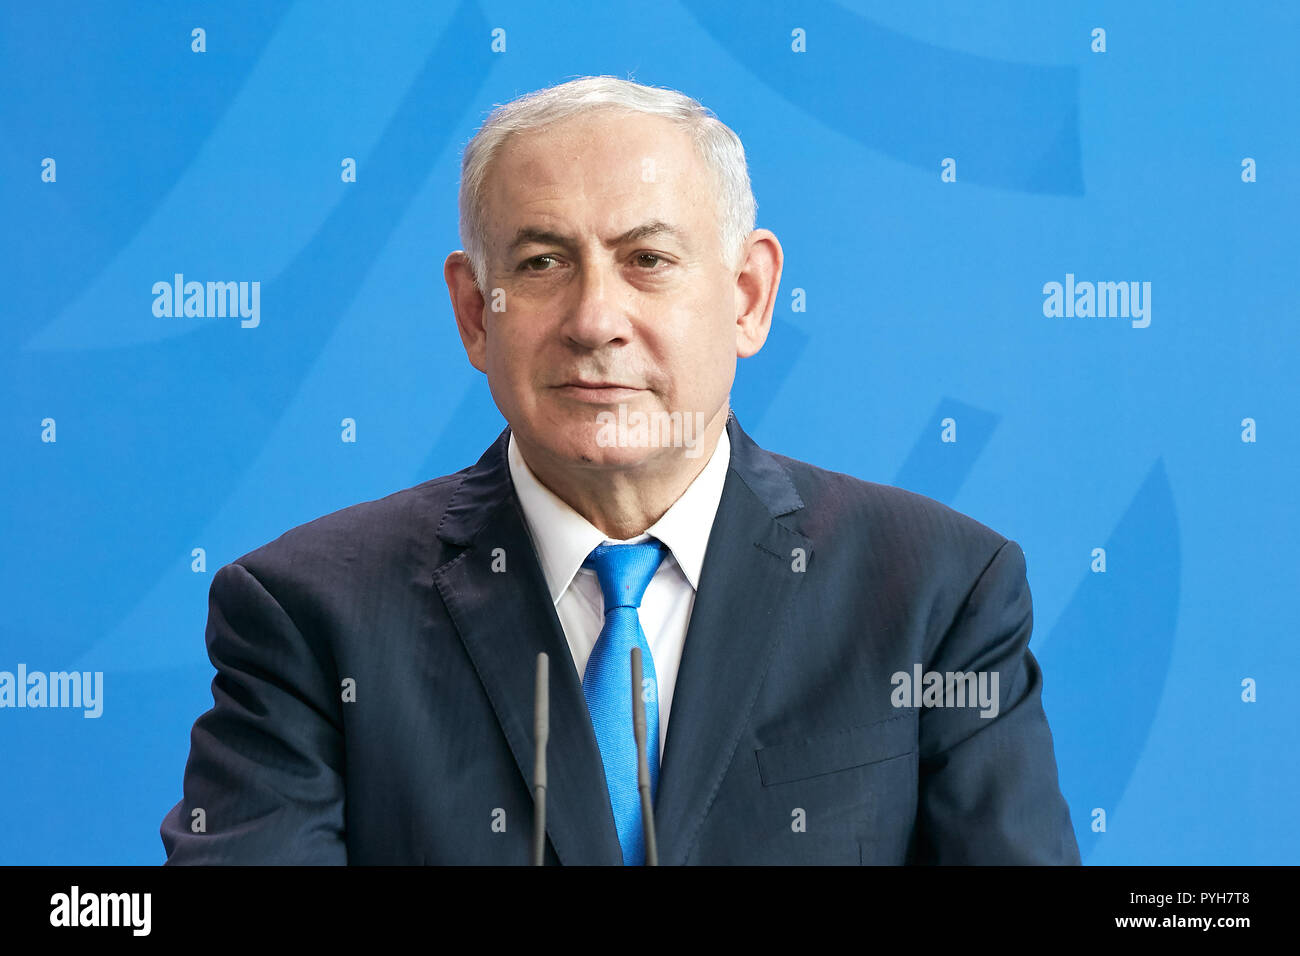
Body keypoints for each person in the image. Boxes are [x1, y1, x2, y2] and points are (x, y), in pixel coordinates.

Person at [160, 75, 1080, 865]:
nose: (594, 318)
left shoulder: (935, 591)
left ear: (749, 297)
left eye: (648, 260)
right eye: (544, 261)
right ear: (477, 314)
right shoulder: (310, 614)